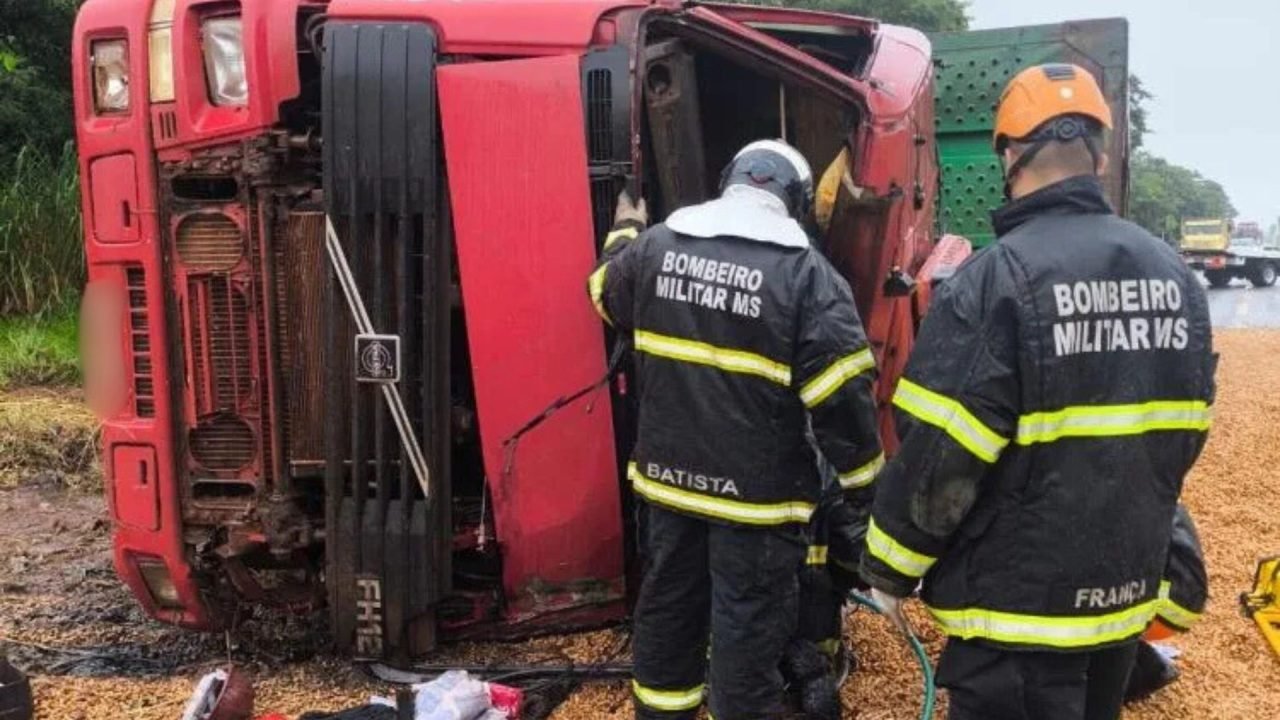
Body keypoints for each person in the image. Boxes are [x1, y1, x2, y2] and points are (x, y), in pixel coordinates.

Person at [858, 63, 1217, 720]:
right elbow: (1182, 438)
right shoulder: (1177, 280)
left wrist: (889, 566)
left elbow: (942, 456)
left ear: (1008, 154)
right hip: (1119, 608)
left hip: (1013, 620)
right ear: (1101, 152)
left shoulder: (995, 280)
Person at [587, 139, 883, 719]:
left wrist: (625, 229)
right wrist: (864, 493)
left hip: (668, 491)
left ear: (730, 180)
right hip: (758, 509)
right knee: (747, 643)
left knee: (668, 616)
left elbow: (603, 293)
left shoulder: (654, 249)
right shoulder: (809, 280)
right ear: (793, 201)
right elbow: (845, 405)